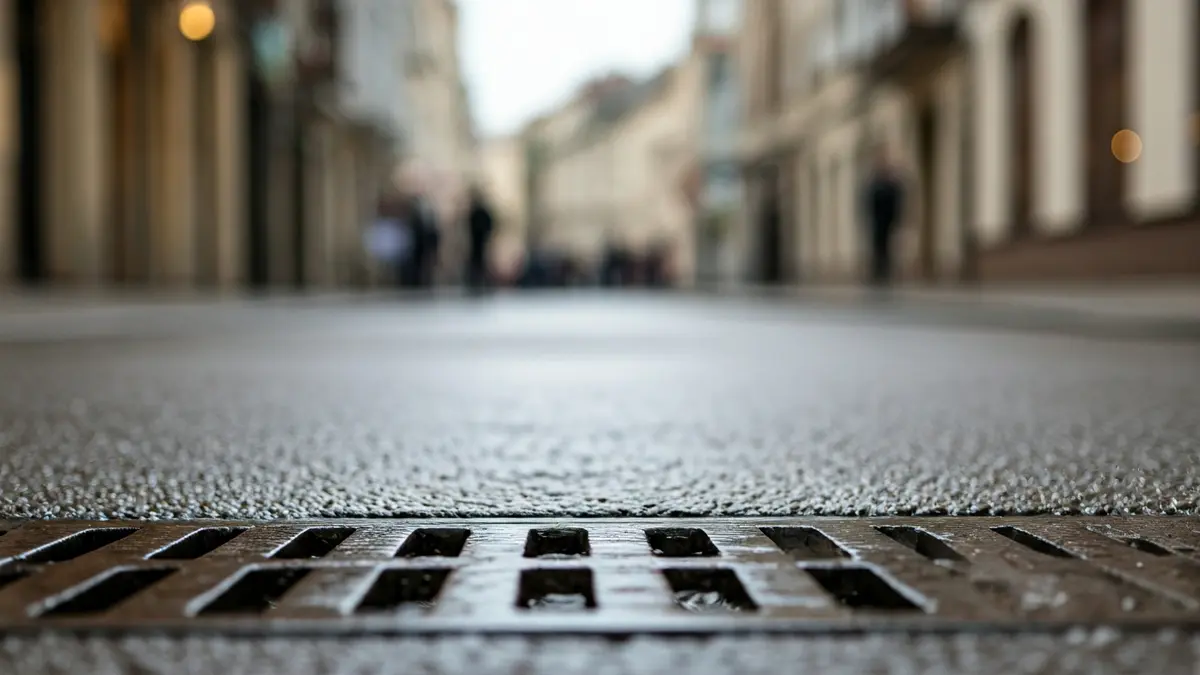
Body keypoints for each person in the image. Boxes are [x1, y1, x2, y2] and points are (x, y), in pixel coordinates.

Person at [862, 147, 905, 289]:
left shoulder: (891, 185)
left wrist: (897, 219)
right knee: (878, 246)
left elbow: (897, 202)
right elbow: (867, 202)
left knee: (887, 246)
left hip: (888, 220)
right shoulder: (874, 184)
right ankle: (877, 271)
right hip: (876, 221)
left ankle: (885, 271)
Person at [465, 186, 495, 293]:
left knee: (481, 263)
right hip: (477, 243)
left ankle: (482, 283)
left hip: (481, 242)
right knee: (477, 263)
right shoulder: (475, 212)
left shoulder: (480, 212)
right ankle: (476, 283)